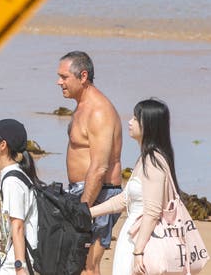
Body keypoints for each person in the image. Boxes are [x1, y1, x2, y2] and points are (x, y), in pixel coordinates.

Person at [88, 98, 180, 275]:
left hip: (144, 241)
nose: (130, 122)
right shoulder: (146, 158)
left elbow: (152, 212)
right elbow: (125, 200)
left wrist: (138, 251)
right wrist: (88, 212)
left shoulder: (153, 161)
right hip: (136, 236)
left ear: (149, 125)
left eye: (136, 119)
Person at [57, 51, 123, 275]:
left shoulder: (99, 111)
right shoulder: (82, 106)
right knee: (77, 263)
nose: (59, 82)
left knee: (87, 265)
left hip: (99, 193)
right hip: (84, 191)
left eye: (64, 77)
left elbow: (100, 167)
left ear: (82, 76)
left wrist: (82, 209)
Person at [0, 117, 40, 275]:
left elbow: (18, 226)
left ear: (3, 145)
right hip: (11, 255)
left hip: (18, 258)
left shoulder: (12, 182)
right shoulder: (12, 176)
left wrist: (20, 267)